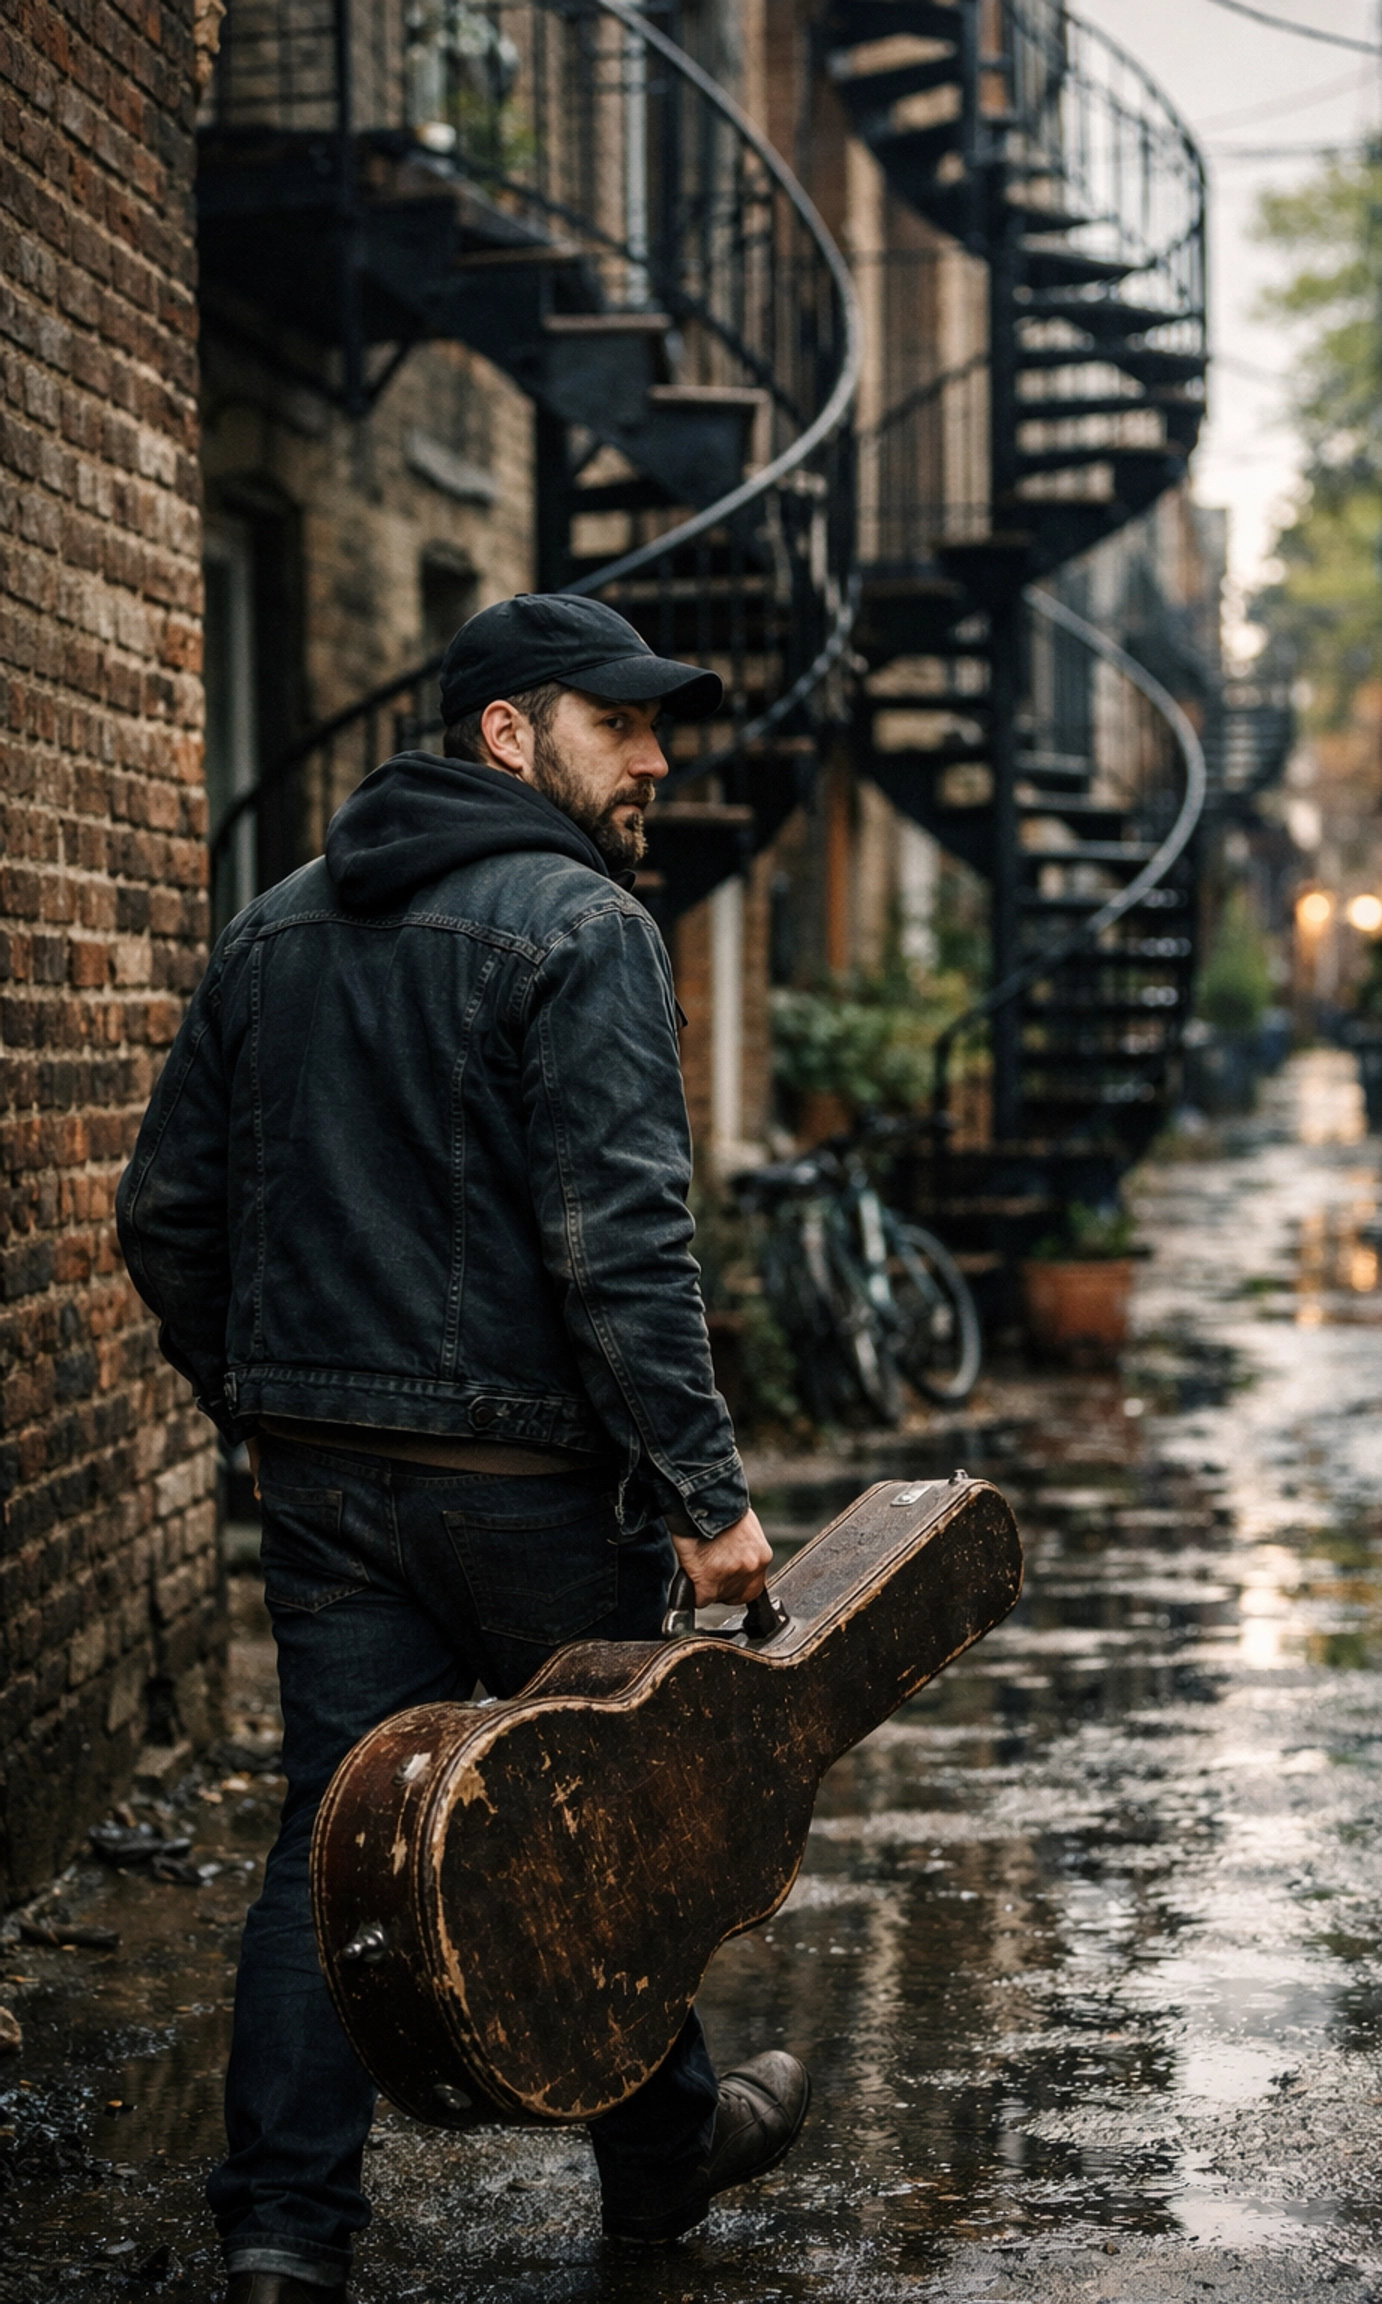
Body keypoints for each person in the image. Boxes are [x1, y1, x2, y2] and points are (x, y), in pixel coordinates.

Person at [116, 594, 810, 2304]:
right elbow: (619, 1243)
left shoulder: (272, 925)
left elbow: (163, 1216)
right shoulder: (580, 926)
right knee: (599, 1832)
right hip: (529, 1493)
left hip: (329, 1487)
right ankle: (665, 2168)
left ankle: (284, 2237)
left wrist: (264, 1407)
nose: (655, 758)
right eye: (620, 725)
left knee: (327, 1837)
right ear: (510, 733)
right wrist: (709, 1500)